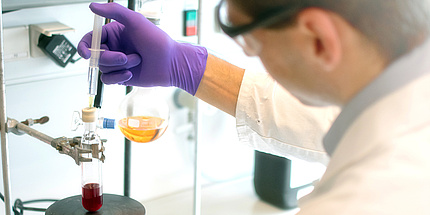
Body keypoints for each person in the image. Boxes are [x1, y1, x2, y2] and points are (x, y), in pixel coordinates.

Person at [78, 1, 430, 214]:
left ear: (319, 38)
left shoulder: (363, 202)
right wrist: (188, 67)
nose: (253, 55)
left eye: (251, 41)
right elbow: (323, 120)